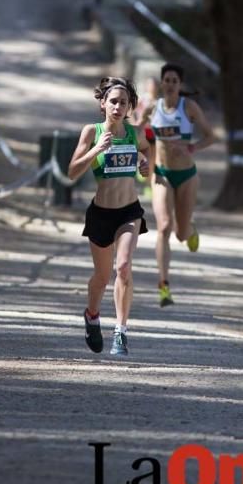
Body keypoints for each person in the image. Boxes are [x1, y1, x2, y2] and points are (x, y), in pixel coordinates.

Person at [69, 76, 152, 356]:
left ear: (130, 106)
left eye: (124, 102)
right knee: (102, 276)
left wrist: (145, 164)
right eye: (113, 101)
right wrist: (96, 149)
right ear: (103, 103)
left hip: (129, 211)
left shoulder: (134, 131)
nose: (118, 107)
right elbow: (71, 172)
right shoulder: (91, 132)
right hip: (101, 214)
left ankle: (121, 331)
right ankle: (92, 315)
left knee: (124, 266)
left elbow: (147, 151)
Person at [149, 63, 216, 307]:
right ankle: (164, 286)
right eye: (166, 80)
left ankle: (190, 230)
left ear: (180, 85)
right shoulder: (151, 109)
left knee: (179, 234)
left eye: (174, 81)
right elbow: (138, 135)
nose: (169, 84)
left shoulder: (189, 108)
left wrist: (192, 147)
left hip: (187, 175)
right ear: (161, 83)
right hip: (162, 175)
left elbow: (211, 136)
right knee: (164, 226)